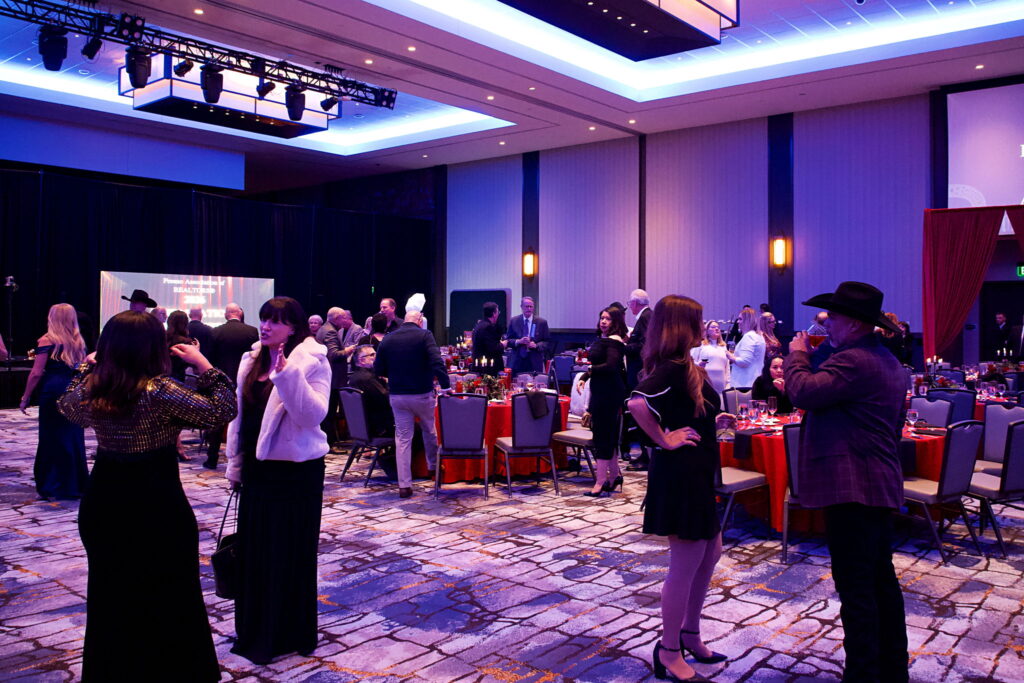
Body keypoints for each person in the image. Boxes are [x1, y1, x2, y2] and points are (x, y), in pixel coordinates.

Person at [57, 310, 236, 682]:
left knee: (111, 593)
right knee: (169, 593)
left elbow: (67, 406)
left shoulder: (95, 385)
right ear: (155, 347)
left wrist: (86, 367)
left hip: (104, 501)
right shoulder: (160, 390)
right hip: (157, 503)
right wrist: (204, 365)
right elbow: (224, 408)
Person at [784, 281, 908, 683]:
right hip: (875, 483)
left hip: (855, 487)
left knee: (857, 589)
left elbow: (803, 391)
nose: (827, 324)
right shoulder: (884, 358)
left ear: (854, 323)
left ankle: (863, 674)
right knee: (879, 582)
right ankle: (891, 670)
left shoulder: (855, 360)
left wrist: (797, 354)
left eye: (833, 318)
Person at [225, 296, 331, 665]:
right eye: (264, 319)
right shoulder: (251, 359)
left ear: (294, 328)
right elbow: (240, 420)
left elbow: (312, 416)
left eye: (276, 321)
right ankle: (255, 630)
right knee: (256, 553)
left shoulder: (313, 361)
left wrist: (287, 376)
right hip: (257, 472)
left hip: (295, 473)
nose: (266, 326)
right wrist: (236, 466)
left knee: (288, 553)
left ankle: (288, 633)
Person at [627, 294, 726, 683]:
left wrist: (712, 420)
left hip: (696, 473)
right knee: (685, 564)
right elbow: (637, 404)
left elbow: (684, 409)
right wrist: (664, 439)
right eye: (697, 320)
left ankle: (689, 634)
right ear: (682, 326)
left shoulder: (685, 366)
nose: (703, 327)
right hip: (681, 474)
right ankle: (668, 650)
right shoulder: (672, 367)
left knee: (710, 552)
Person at [373, 310, 451, 499]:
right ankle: (433, 468)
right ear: (419, 320)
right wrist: (446, 386)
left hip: (398, 395)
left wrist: (395, 374)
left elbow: (378, 368)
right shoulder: (425, 335)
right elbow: (437, 362)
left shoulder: (388, 338)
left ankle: (404, 485)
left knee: (403, 439)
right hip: (421, 394)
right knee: (429, 431)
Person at [19, 303, 88, 500]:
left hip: (53, 391)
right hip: (74, 390)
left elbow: (36, 373)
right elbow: (81, 369)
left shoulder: (46, 340)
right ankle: (75, 484)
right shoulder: (78, 340)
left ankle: (53, 484)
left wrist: (25, 397)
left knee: (52, 437)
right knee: (73, 436)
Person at [204, 303, 259, 469]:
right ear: (239, 314)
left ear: (226, 315)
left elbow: (210, 359)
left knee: (218, 420)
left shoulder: (215, 332)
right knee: (245, 418)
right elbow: (256, 358)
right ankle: (246, 458)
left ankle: (212, 458)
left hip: (222, 381)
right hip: (245, 380)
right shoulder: (252, 331)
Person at [580, 306, 627, 497]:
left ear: (615, 322)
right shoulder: (605, 339)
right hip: (602, 390)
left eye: (608, 319)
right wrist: (585, 376)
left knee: (602, 436)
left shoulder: (614, 341)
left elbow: (610, 366)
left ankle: (600, 482)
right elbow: (598, 366)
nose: (604, 321)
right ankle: (614, 476)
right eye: (602, 318)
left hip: (609, 393)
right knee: (608, 435)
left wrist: (589, 371)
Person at [317, 307, 349, 446]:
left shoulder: (324, 328)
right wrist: (349, 350)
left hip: (329, 378)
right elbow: (334, 354)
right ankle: (329, 443)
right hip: (332, 379)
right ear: (336, 318)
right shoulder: (330, 331)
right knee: (329, 412)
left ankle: (330, 441)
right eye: (343, 317)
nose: (345, 320)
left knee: (328, 412)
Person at [349, 344, 394, 438]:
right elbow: (386, 400)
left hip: (363, 426)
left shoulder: (354, 377)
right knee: (415, 427)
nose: (376, 357)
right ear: (362, 360)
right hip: (379, 428)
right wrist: (388, 383)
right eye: (372, 355)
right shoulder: (368, 378)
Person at [504, 296, 550, 374]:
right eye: (526, 306)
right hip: (517, 362)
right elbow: (508, 341)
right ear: (521, 307)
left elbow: (547, 342)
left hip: (534, 362)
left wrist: (536, 345)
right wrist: (519, 341)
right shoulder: (514, 321)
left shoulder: (542, 322)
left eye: (531, 307)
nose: (529, 309)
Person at [691, 320, 733, 403]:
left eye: (718, 327)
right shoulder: (701, 345)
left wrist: (728, 383)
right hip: (705, 386)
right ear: (707, 330)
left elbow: (727, 367)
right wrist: (698, 364)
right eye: (713, 327)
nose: (716, 329)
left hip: (721, 387)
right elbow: (690, 360)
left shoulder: (723, 347)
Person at [730, 306, 764, 389]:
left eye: (740, 319)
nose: (738, 322)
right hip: (754, 381)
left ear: (747, 321)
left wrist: (730, 356)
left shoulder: (749, 336)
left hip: (745, 383)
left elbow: (744, 362)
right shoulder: (759, 336)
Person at [624, 289, 652, 390]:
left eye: (630, 303)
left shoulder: (644, 317)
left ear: (634, 303)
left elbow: (645, 344)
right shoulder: (648, 315)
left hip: (639, 369)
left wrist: (624, 347)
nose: (630, 306)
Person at [471, 301, 506, 376]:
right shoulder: (488, 327)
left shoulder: (479, 325)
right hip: (488, 369)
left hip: (480, 366)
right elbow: (492, 348)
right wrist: (503, 345)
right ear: (494, 314)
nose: (498, 314)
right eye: (498, 312)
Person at [166, 310, 193, 382]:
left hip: (161, 377)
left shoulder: (161, 338)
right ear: (185, 324)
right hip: (178, 380)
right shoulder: (186, 342)